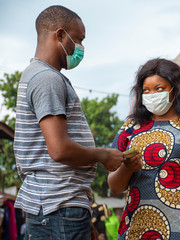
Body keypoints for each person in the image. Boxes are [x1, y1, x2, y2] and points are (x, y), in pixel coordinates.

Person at [13, 5, 127, 239]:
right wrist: (104, 155)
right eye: (79, 39)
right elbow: (59, 149)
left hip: (60, 206)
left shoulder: (40, 75)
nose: (81, 48)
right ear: (61, 35)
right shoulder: (47, 79)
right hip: (58, 206)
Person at [108, 58, 180, 240]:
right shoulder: (129, 129)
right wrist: (127, 167)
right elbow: (114, 187)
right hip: (137, 231)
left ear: (175, 90)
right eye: (146, 90)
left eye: (159, 88)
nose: (152, 94)